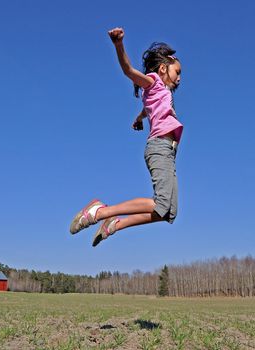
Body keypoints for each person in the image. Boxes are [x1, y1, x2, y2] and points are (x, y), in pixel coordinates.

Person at [69, 27, 183, 247]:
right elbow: (128, 70)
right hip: (160, 147)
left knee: (168, 212)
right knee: (162, 203)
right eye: (177, 72)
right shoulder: (154, 83)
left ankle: (115, 224)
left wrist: (140, 118)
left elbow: (149, 109)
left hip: (168, 151)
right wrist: (118, 45)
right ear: (162, 69)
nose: (179, 79)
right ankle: (100, 212)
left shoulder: (160, 95)